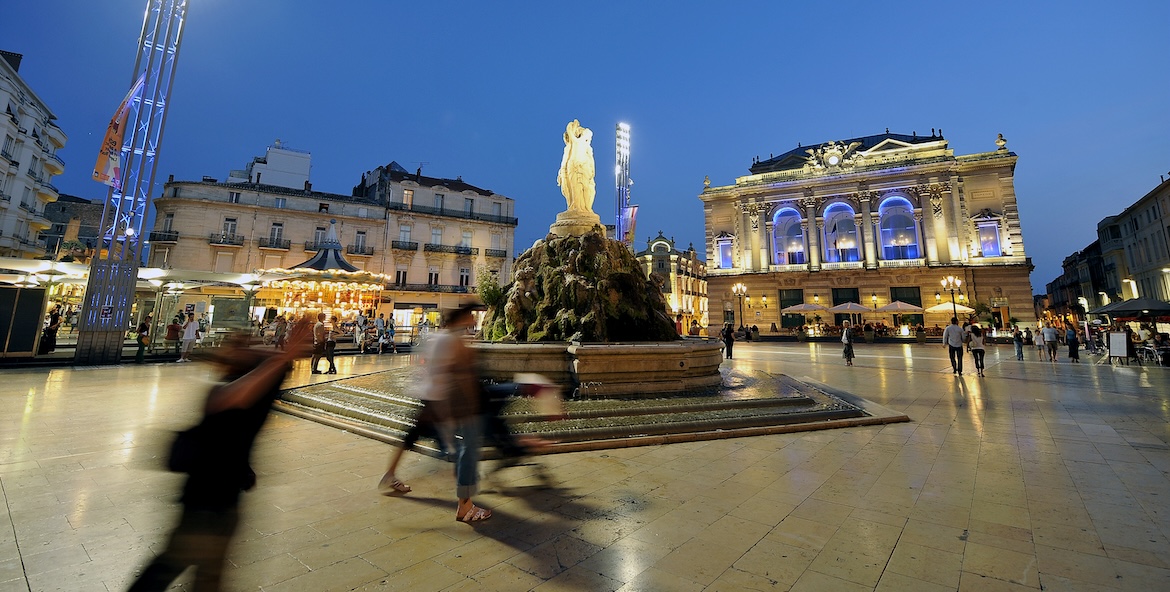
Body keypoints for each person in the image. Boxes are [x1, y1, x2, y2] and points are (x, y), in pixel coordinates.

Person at [127, 319, 311, 591]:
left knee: (200, 575)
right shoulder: (227, 390)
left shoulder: (257, 392)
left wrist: (282, 354)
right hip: (205, 501)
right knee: (171, 569)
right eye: (237, 344)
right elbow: (233, 397)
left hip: (219, 502)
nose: (243, 347)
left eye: (246, 343)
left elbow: (270, 370)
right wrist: (281, 354)